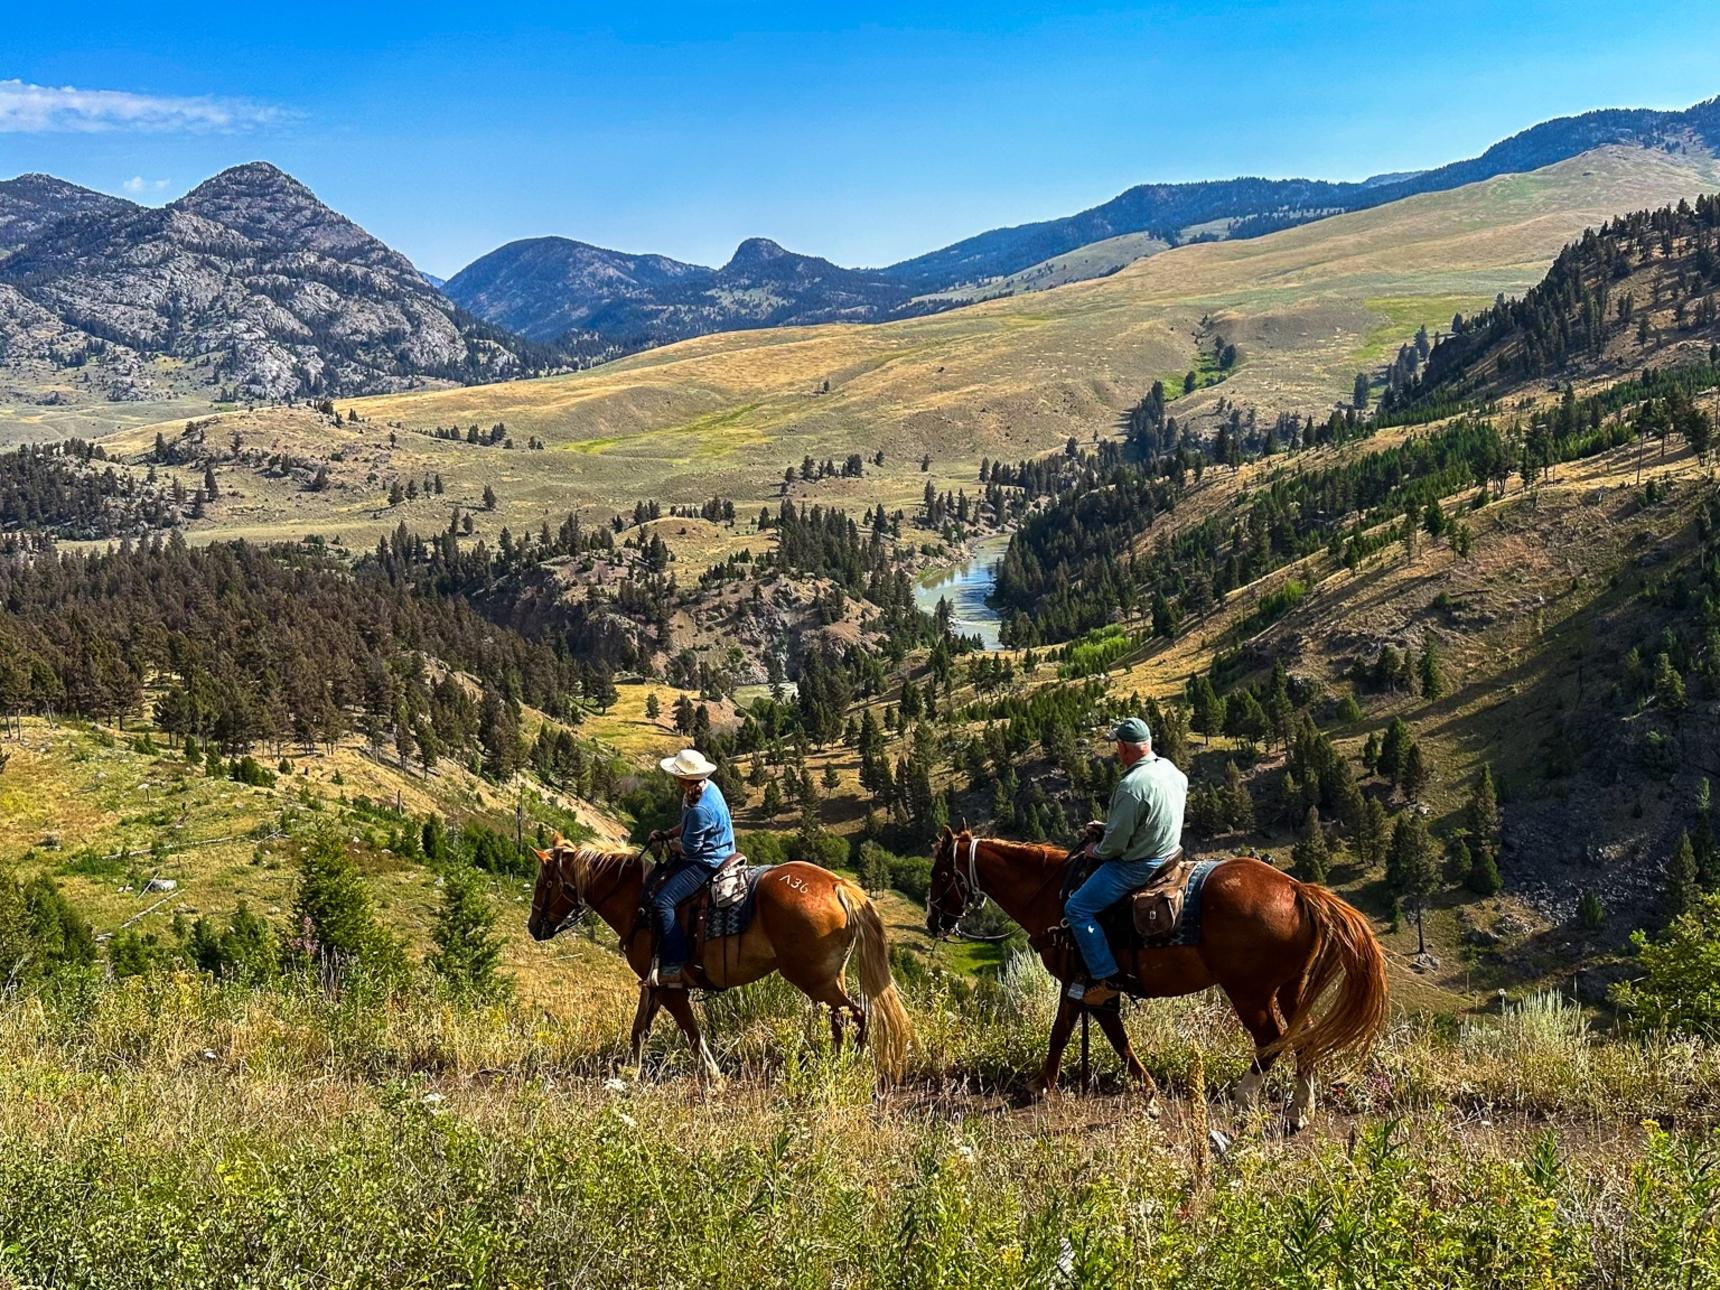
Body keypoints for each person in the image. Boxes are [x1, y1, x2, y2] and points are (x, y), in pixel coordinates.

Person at [1063, 717, 1188, 1005]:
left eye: (1117, 746)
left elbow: (1116, 846)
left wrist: (1097, 849)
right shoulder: (1170, 769)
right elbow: (1150, 818)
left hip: (1138, 865)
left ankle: (1107, 977)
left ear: (1124, 748)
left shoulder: (1131, 786)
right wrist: (1111, 826)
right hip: (1170, 851)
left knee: (1077, 908)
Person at [645, 748, 736, 987]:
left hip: (707, 860)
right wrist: (667, 834)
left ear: (683, 778)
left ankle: (674, 964)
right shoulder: (704, 790)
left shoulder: (700, 808)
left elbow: (691, 849)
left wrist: (674, 845)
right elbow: (687, 826)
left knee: (662, 902)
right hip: (713, 850)